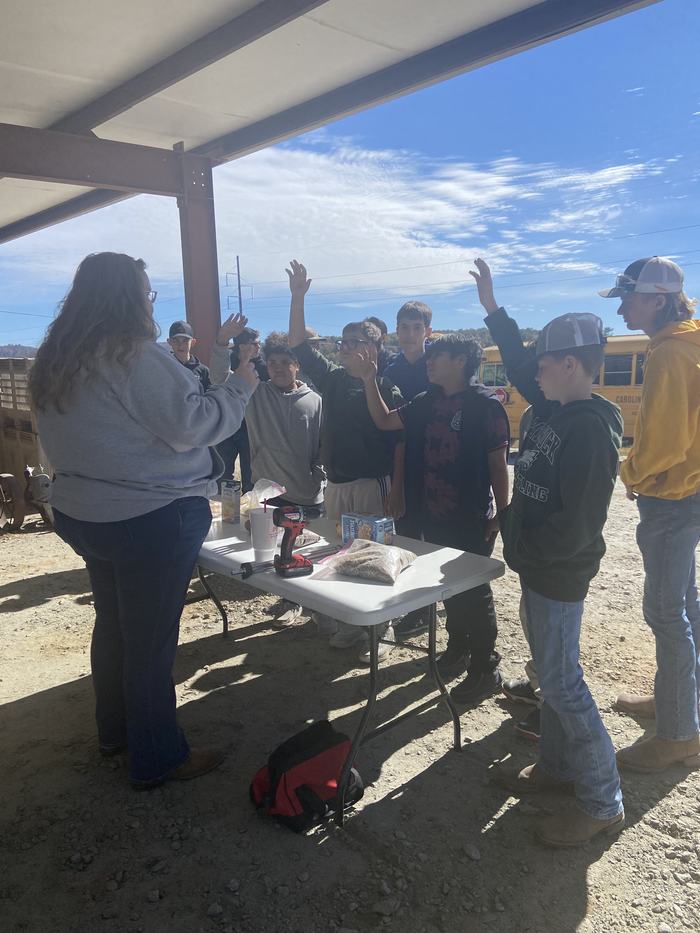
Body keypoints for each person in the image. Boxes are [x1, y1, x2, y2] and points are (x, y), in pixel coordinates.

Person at [29, 252, 259, 788]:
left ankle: (115, 732)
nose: (150, 302)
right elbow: (192, 425)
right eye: (148, 292)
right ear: (130, 297)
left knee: (114, 626)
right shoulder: (133, 354)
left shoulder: (56, 358)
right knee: (150, 643)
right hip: (149, 516)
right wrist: (241, 384)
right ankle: (157, 757)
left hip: (84, 514)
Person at [472, 258, 624, 847]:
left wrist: (520, 544)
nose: (531, 372)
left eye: (544, 362)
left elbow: (579, 527)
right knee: (551, 676)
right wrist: (494, 311)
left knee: (562, 684)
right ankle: (560, 769)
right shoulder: (556, 406)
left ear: (570, 365)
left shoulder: (588, 429)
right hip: (537, 569)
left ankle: (602, 800)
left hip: (557, 572)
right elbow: (516, 360)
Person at [356, 334, 509, 704]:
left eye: (437, 355)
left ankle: (486, 668)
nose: (429, 360)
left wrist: (501, 515)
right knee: (447, 587)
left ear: (460, 361)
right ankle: (458, 649)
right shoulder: (427, 401)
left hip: (469, 516)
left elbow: (497, 465)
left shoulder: (485, 406)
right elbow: (383, 420)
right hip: (431, 516)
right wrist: (367, 380)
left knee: (474, 592)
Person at [598, 257, 700, 773]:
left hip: (670, 496)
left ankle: (681, 734)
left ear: (657, 298)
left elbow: (661, 443)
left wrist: (631, 474)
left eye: (627, 296)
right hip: (690, 490)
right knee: (684, 604)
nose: (621, 307)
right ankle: (679, 704)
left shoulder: (668, 355)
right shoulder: (690, 343)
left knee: (666, 612)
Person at [287, 260, 405, 660]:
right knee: (341, 554)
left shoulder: (389, 384)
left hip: (372, 484)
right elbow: (298, 345)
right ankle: (353, 627)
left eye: (352, 341)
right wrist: (297, 298)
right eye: (343, 341)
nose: (344, 347)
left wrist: (397, 490)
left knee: (374, 558)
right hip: (336, 484)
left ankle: (378, 632)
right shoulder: (335, 378)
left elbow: (397, 438)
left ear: (371, 348)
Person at [211, 324, 325, 507]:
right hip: (265, 498)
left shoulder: (315, 400)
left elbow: (323, 446)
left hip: (307, 499)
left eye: (285, 362)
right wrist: (221, 342)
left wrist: (317, 477)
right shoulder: (255, 392)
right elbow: (219, 378)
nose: (278, 368)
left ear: (297, 365)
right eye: (272, 362)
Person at [382, 300, 434, 639]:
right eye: (405, 327)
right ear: (396, 331)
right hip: (401, 463)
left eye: (417, 327)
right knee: (406, 537)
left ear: (428, 331)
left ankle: (429, 606)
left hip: (438, 462)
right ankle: (415, 610)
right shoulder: (389, 372)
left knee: (435, 542)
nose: (410, 334)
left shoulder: (439, 365)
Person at [215, 327, 266, 493]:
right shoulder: (226, 363)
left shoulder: (263, 367)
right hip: (228, 427)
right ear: (242, 346)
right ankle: (227, 513)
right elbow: (217, 380)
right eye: (255, 344)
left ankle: (249, 513)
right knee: (222, 477)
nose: (259, 347)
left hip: (251, 429)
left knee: (250, 476)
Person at [167, 320, 211, 390]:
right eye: (176, 340)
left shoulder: (203, 371)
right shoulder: (164, 368)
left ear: (193, 342)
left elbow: (208, 396)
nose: (180, 345)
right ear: (169, 342)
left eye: (185, 341)